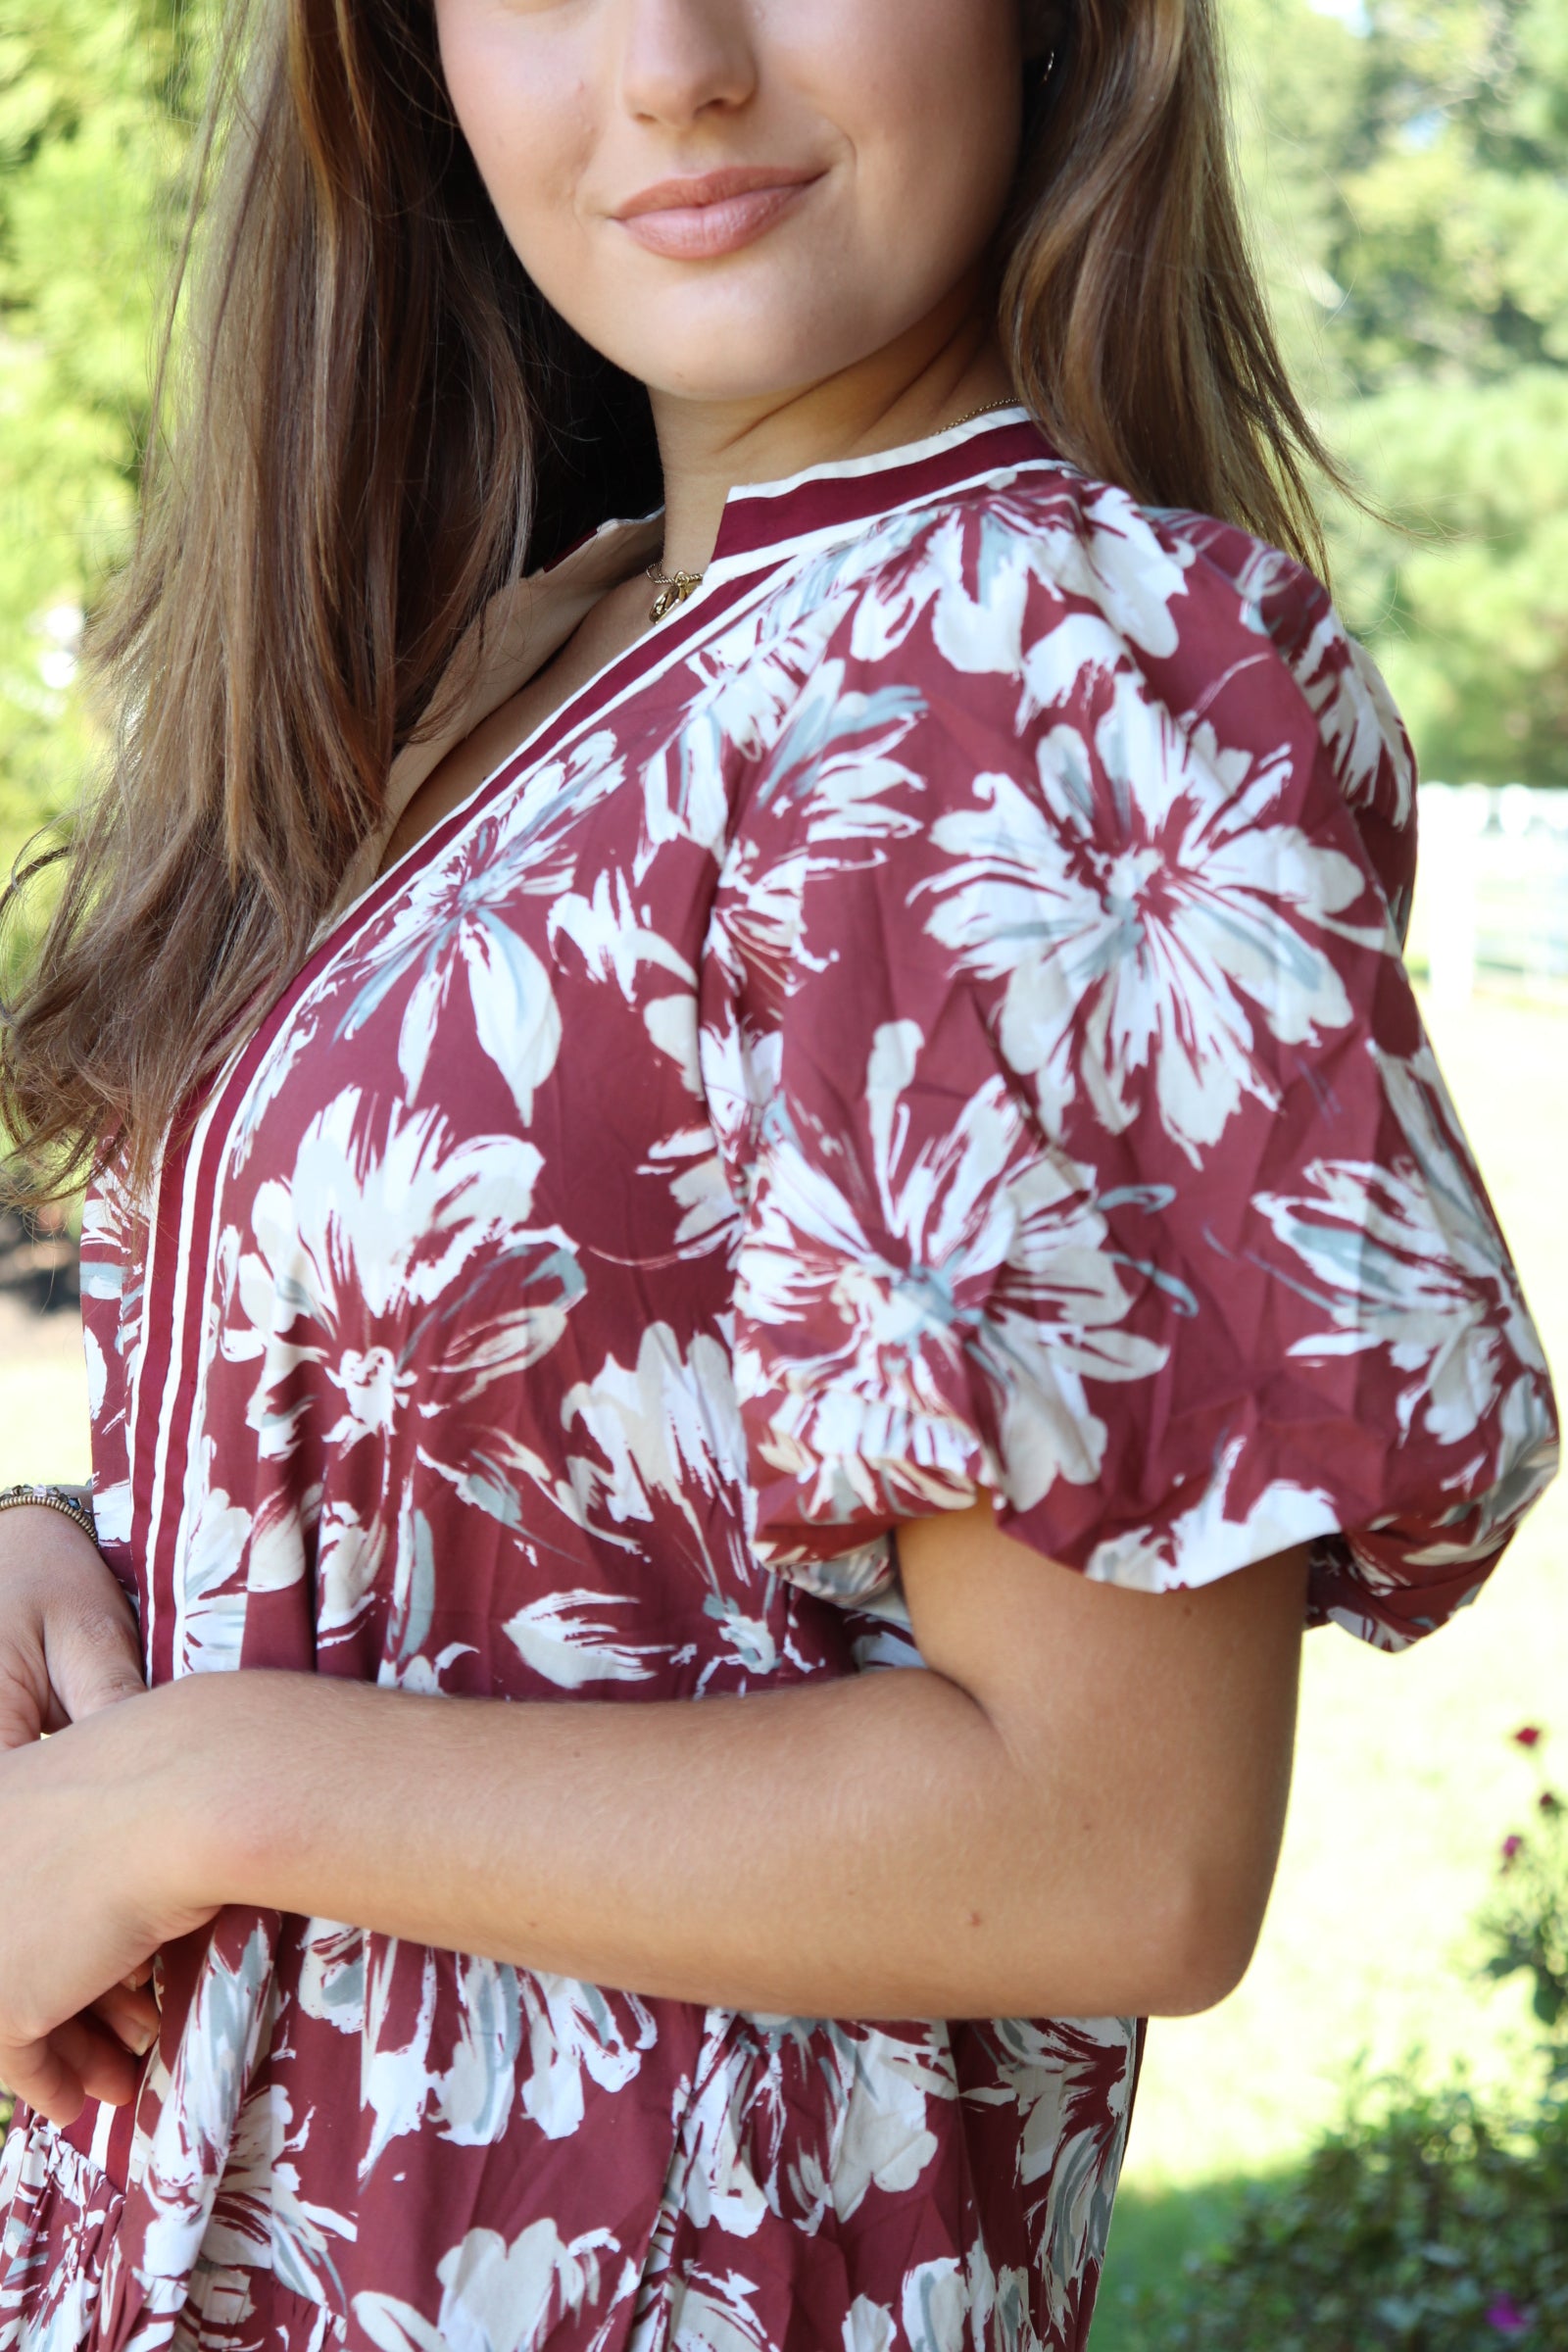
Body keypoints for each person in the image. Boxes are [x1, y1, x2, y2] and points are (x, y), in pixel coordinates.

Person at [0, 0, 1556, 2346]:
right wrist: (97, 1580)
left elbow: (1114, 1845)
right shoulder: (538, 655)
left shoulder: (1029, 665)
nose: (673, 63)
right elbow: (555, 1509)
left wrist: (195, 1792)